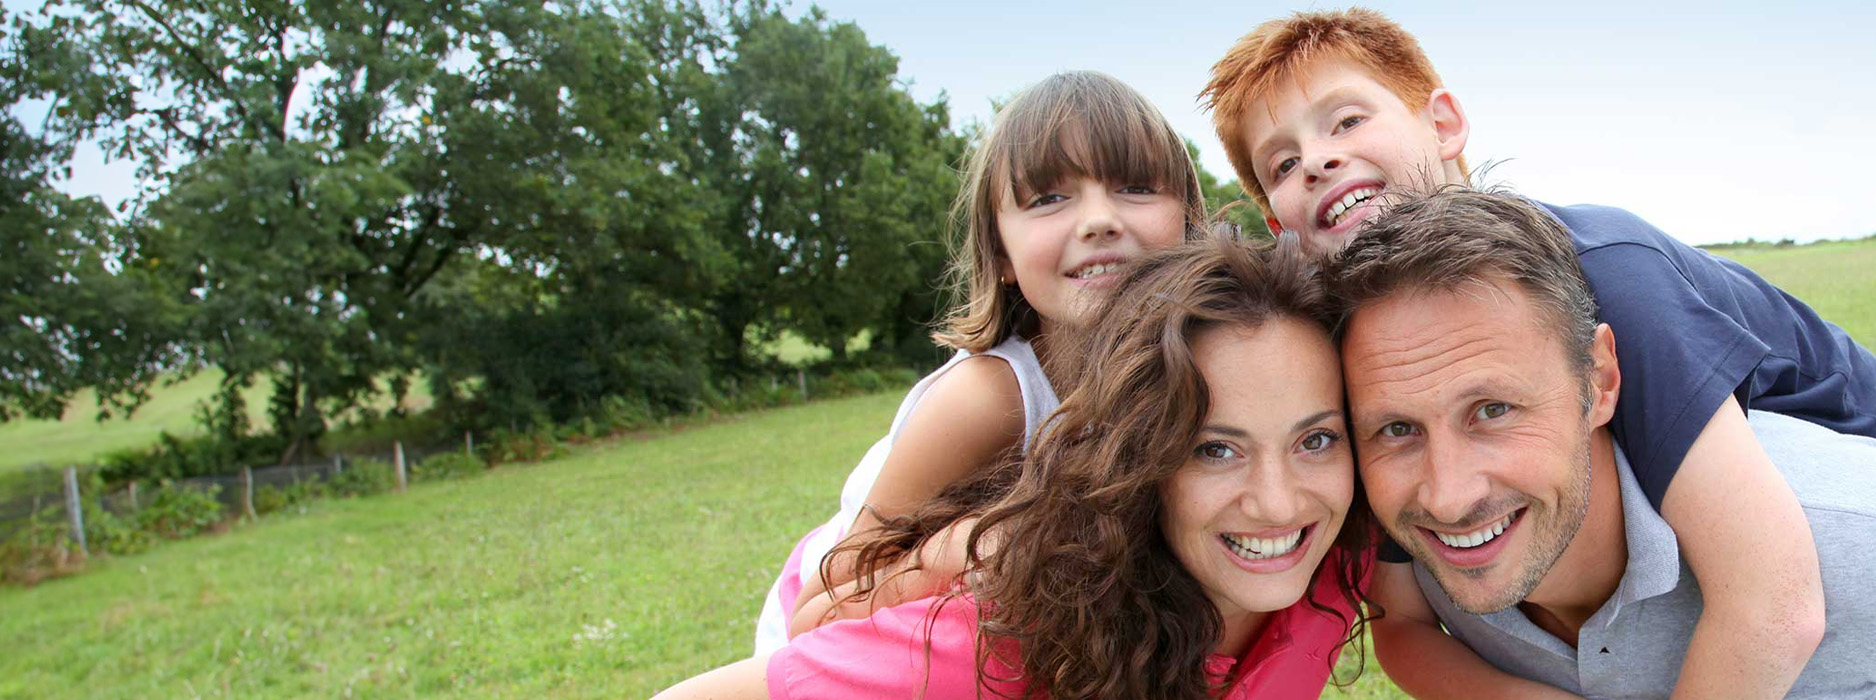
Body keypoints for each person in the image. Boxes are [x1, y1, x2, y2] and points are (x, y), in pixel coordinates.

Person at [1200, 10, 1876, 697]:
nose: (1317, 160)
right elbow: (1397, 620)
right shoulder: (1369, 357)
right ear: (1279, 223)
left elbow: (1772, 602)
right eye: (1283, 163)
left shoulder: (1604, 271)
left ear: (1443, 124)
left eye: (1345, 122)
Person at [660, 236, 1375, 700]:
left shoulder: (1343, 555)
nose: (1281, 504)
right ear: (1138, 464)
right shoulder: (1014, 640)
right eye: (1213, 449)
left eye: (1315, 441)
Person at [1323, 188, 1876, 697]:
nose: (1447, 499)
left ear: (1600, 380)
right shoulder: (1435, 564)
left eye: (1493, 411)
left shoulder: (1852, 542)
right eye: (1396, 430)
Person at [750, 70, 1209, 655]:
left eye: (1138, 188)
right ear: (1000, 255)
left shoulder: (1197, 362)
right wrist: (993, 540)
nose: (1099, 219)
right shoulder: (991, 397)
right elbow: (820, 613)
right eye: (1049, 198)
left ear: (1190, 223)